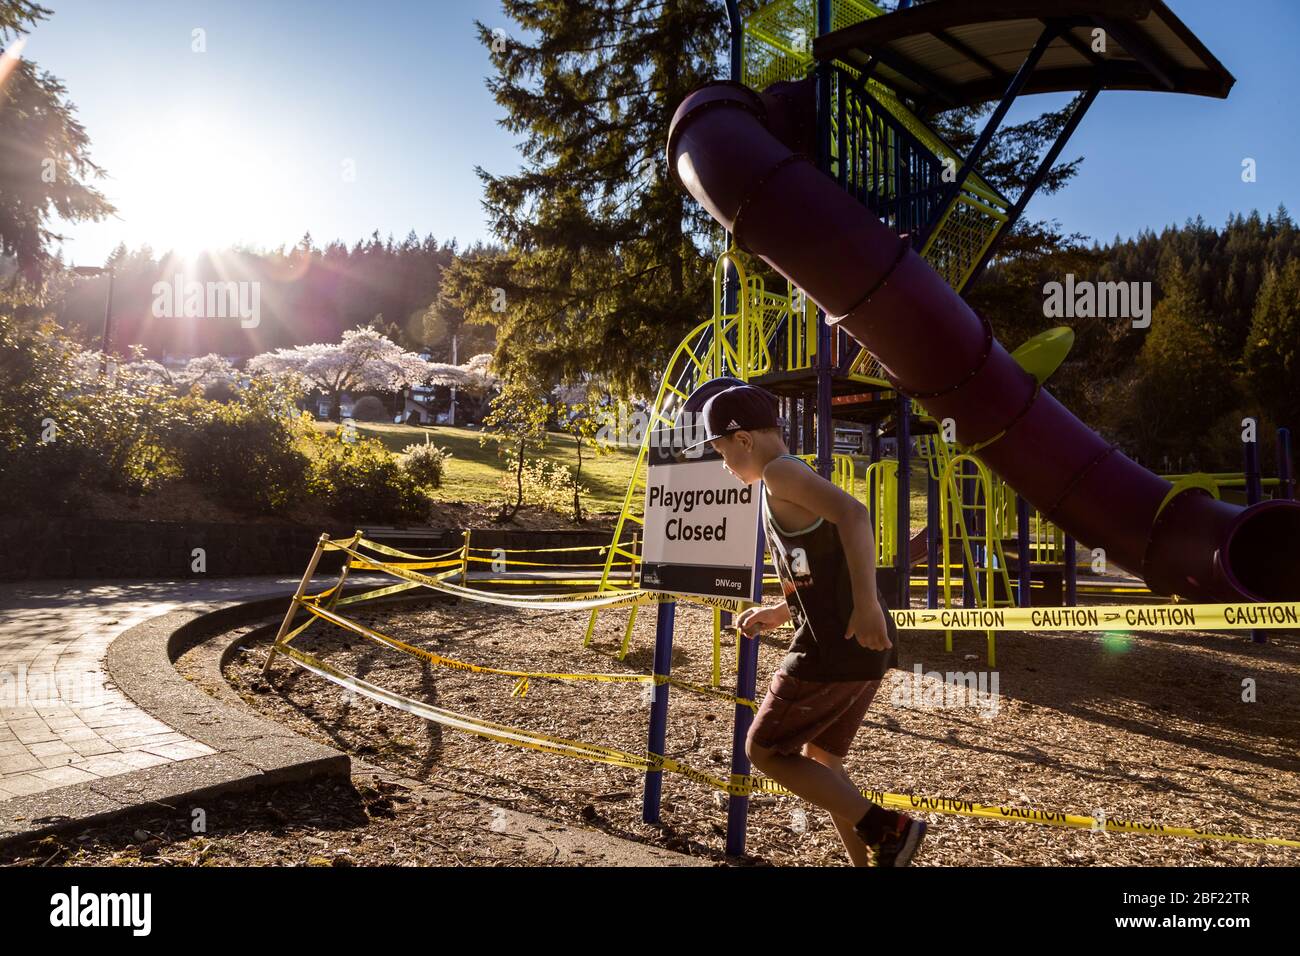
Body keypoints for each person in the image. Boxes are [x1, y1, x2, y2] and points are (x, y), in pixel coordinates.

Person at [680, 381, 926, 866]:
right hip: (860, 646)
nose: (724, 465)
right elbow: (811, 567)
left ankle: (889, 830)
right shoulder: (782, 480)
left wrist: (866, 605)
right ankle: (877, 858)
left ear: (744, 440)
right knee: (823, 760)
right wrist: (778, 611)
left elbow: (854, 516)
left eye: (721, 451)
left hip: (834, 644)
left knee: (765, 749)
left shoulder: (780, 475)